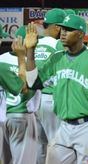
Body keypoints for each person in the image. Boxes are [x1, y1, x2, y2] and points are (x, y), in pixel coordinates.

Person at [24, 15, 88, 163]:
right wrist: (30, 51)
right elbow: (33, 83)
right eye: (62, 29)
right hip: (63, 127)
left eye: (69, 30)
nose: (63, 33)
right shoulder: (56, 58)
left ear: (81, 34)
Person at [1, 27, 41, 164]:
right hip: (23, 116)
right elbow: (23, 87)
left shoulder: (1, 59)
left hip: (3, 118)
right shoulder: (32, 63)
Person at [33, 8, 66, 164]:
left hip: (33, 101)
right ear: (58, 27)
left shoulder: (34, 42)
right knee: (56, 144)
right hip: (51, 98)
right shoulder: (58, 44)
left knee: (40, 147)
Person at [0, 24, 28, 163]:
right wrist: (21, 60)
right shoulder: (1, 66)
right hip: (19, 117)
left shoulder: (2, 60)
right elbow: (22, 87)